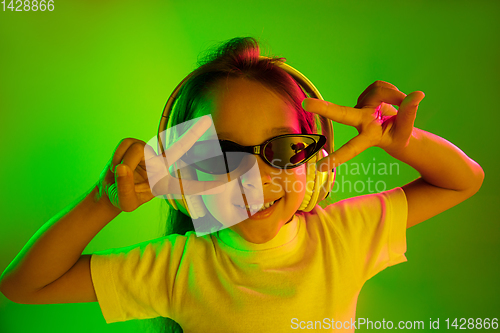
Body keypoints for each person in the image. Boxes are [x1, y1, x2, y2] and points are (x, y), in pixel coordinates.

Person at [0, 37, 484, 333]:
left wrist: (396, 140)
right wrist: (104, 201)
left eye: (282, 150)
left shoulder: (344, 235)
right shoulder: (175, 267)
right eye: (223, 156)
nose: (255, 179)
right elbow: (23, 286)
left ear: (315, 164)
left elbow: (462, 181)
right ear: (182, 174)